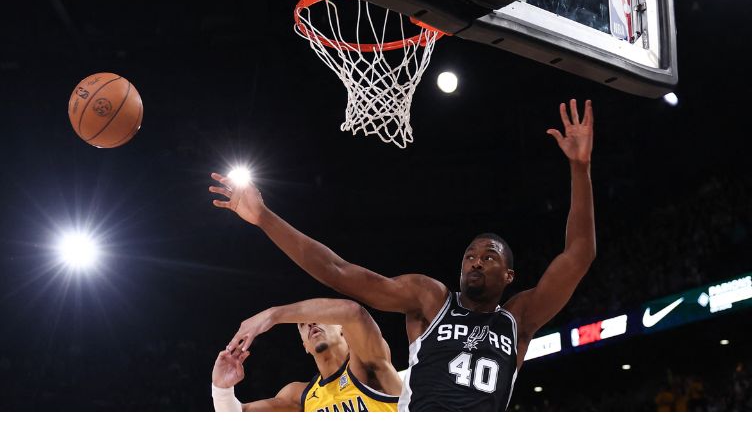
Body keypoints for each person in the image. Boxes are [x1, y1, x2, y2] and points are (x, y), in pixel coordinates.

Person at [210, 99, 596, 411]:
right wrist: (264, 218)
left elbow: (579, 256)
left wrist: (580, 168)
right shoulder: (430, 300)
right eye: (469, 255)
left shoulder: (519, 319)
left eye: (489, 256)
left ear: (509, 275)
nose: (475, 260)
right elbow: (338, 271)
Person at [211, 298, 401, 412]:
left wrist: (274, 315)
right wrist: (222, 389)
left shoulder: (368, 363)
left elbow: (354, 313)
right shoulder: (299, 396)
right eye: (302, 324)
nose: (310, 323)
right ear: (305, 346)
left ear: (343, 329)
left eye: (320, 318)